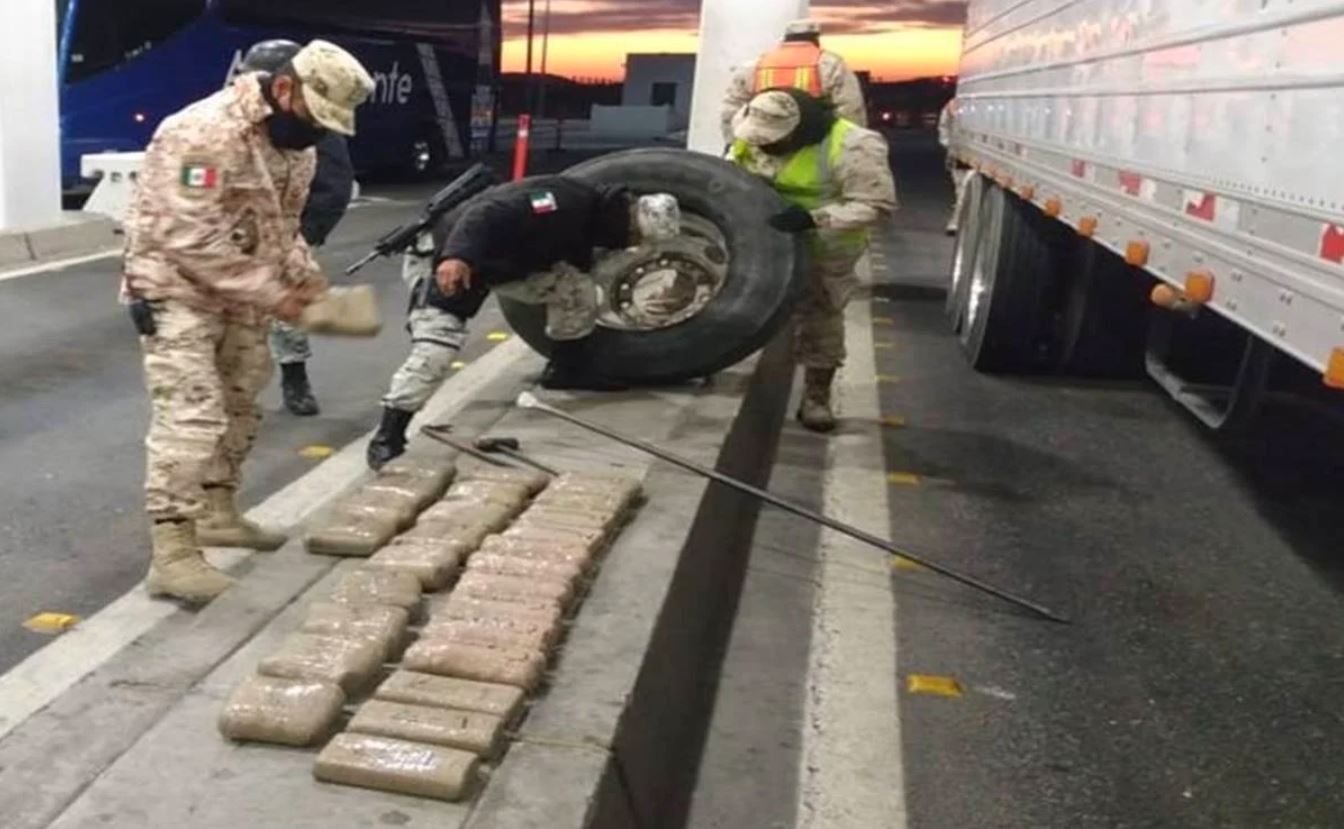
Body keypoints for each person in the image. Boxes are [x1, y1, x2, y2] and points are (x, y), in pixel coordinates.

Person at [122, 40, 374, 603]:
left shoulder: (296, 146)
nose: (318, 133)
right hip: (175, 291)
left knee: (240, 403)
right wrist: (277, 297)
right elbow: (188, 239)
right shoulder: (204, 134)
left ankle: (217, 512)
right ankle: (172, 552)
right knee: (191, 416)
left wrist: (310, 288)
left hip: (241, 296)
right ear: (283, 89)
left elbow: (282, 228)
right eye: (315, 117)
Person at [365, 178, 681, 470]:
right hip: (447, 257)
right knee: (437, 348)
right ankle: (388, 435)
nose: (631, 243)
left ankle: (568, 370)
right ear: (631, 220)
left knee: (575, 289)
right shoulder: (562, 201)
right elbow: (486, 212)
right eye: (636, 237)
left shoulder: (592, 219)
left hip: (499, 264)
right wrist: (456, 256)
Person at [728, 88, 897, 433]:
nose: (764, 146)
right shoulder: (750, 132)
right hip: (762, 236)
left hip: (825, 243)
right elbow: (730, 172)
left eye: (774, 140)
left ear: (798, 131)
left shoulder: (853, 146)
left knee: (821, 314)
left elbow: (876, 206)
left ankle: (817, 396)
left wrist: (813, 218)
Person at [238, 40, 358, 416]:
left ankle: (295, 378)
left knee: (286, 313)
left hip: (288, 235)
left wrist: (305, 236)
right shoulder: (227, 123)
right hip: (235, 240)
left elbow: (334, 185)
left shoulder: (310, 122)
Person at [721, 19, 868, 146]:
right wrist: (850, 147)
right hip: (811, 144)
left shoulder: (756, 64)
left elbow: (731, 109)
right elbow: (851, 110)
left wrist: (734, 144)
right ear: (816, 38)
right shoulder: (830, 64)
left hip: (764, 144)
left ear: (785, 38)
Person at [938, 97, 972, 236]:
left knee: (963, 192)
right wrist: (950, 145)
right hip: (958, 155)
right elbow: (944, 128)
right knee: (961, 191)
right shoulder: (952, 106)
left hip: (970, 154)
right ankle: (957, 222)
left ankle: (958, 221)